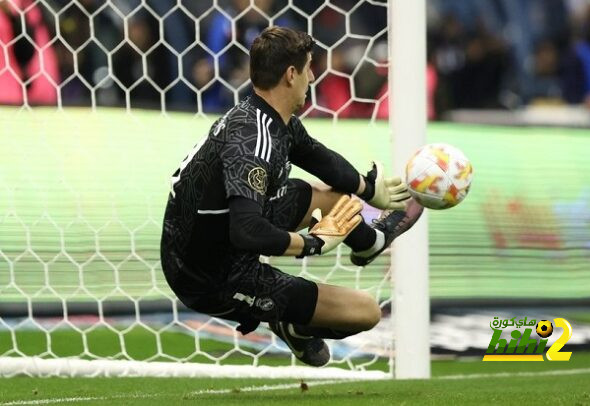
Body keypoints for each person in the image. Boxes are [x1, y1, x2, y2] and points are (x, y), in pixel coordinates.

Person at [161, 26, 423, 367]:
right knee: (366, 312)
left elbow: (317, 157)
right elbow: (247, 231)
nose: (312, 76)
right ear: (290, 74)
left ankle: (369, 243)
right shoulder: (253, 143)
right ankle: (291, 322)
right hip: (210, 276)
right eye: (309, 67)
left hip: (217, 240)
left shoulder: (269, 116)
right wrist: (313, 243)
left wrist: (370, 190)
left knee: (327, 197)